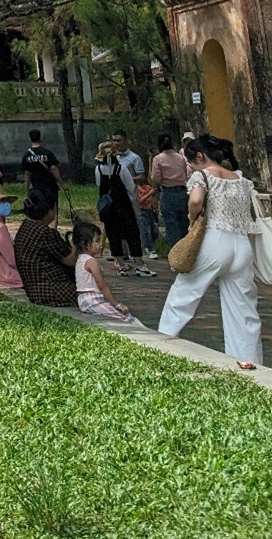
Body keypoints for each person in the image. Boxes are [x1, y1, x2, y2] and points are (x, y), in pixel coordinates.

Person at [159, 132, 263, 369]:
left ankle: (161, 342)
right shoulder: (240, 179)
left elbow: (196, 200)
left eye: (191, 161)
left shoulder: (202, 175)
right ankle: (250, 362)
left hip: (214, 239)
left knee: (183, 295)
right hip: (242, 246)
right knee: (243, 308)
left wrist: (193, 217)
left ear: (199, 156)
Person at [93, 139, 153, 276]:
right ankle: (140, 264)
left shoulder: (98, 170)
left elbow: (99, 186)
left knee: (113, 234)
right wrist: (133, 201)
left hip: (108, 208)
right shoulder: (121, 168)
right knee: (132, 233)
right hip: (123, 205)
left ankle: (121, 265)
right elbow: (131, 188)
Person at [13, 191, 78, 307]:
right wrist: (77, 243)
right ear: (50, 210)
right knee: (92, 293)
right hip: (51, 289)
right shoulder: (46, 233)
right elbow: (71, 260)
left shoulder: (26, 226)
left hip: (33, 290)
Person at [72, 219, 143, 326]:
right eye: (97, 241)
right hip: (93, 300)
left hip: (83, 299)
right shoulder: (91, 262)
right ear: (85, 244)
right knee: (124, 318)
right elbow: (102, 286)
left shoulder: (80, 259)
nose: (101, 244)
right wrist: (116, 303)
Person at [111, 129, 154, 257]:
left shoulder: (134, 158)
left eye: (118, 140)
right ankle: (124, 252)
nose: (116, 143)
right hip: (115, 196)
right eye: (114, 141)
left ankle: (142, 249)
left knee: (134, 223)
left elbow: (141, 177)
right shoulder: (113, 158)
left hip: (131, 196)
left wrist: (126, 178)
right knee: (119, 225)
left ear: (125, 140)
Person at [150, 133, 191, 250]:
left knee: (171, 224)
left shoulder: (158, 158)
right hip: (183, 191)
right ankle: (186, 250)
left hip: (168, 192)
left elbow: (156, 179)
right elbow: (185, 172)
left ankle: (175, 252)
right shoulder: (180, 157)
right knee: (184, 222)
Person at [19, 129, 64, 214]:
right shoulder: (47, 153)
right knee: (53, 209)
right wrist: (62, 183)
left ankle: (42, 226)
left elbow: (27, 174)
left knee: (39, 210)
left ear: (30, 139)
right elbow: (54, 169)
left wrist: (27, 189)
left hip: (37, 187)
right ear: (40, 138)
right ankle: (53, 227)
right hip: (50, 186)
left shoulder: (26, 155)